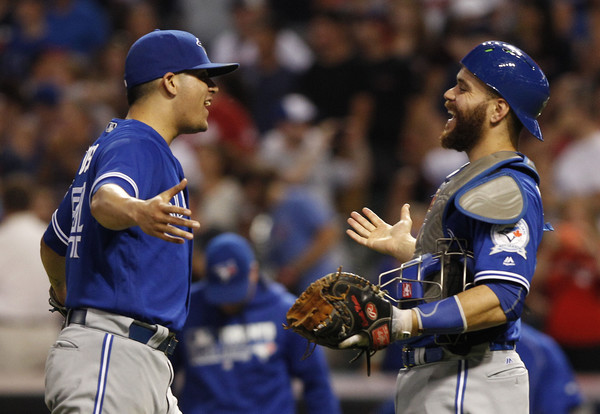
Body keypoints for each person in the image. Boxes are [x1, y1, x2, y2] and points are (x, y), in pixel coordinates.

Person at [344, 40, 550, 413]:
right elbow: (465, 270)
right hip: (450, 373)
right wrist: (412, 250)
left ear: (498, 110)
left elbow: (501, 296)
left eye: (463, 88)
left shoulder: (503, 186)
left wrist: (405, 319)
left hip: (467, 374)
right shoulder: (472, 178)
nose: (448, 94)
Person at [39, 29, 238, 413]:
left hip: (136, 360)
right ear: (170, 82)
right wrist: (138, 211)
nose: (213, 89)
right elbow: (104, 200)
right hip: (110, 358)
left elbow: (52, 245)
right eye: (203, 77)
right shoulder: (138, 143)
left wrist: (63, 295)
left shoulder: (114, 144)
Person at [172, 232, 341, 414]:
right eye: (221, 293)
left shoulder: (288, 312)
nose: (227, 303)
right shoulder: (188, 309)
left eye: (235, 293)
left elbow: (317, 383)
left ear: (253, 272)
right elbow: (165, 373)